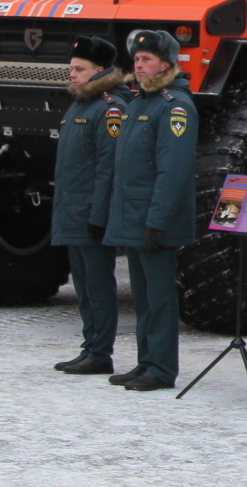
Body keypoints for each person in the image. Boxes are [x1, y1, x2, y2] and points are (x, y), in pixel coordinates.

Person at [102, 30, 198, 392]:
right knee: (142, 296)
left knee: (159, 297)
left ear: (166, 64)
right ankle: (146, 361)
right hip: (133, 218)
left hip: (154, 220)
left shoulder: (174, 106)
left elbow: (172, 171)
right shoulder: (139, 102)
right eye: (136, 59)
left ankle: (161, 367)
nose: (138, 65)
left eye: (146, 60)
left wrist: (157, 220)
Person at [51, 36, 126, 375]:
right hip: (72, 211)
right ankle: (90, 346)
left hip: (90, 214)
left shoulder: (109, 108)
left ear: (100, 70)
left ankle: (100, 352)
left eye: (79, 69)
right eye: (71, 68)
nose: (73, 74)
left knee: (97, 284)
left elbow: (108, 167)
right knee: (82, 285)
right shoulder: (79, 105)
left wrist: (100, 215)